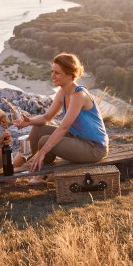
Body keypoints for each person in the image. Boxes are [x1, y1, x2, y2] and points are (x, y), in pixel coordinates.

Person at [12, 53, 109, 183]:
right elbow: (46, 117)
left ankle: (43, 174)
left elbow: (63, 127)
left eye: (57, 73)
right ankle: (14, 167)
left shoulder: (79, 95)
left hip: (94, 148)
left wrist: (42, 153)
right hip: (76, 138)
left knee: (44, 141)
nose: (52, 76)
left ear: (69, 74)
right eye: (52, 71)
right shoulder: (62, 92)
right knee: (38, 129)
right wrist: (29, 122)